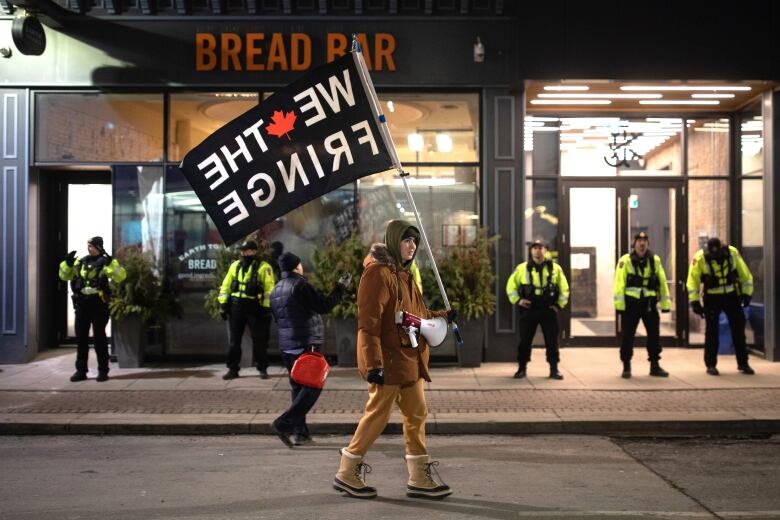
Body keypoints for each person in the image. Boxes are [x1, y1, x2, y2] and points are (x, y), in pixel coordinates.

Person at [333, 220, 456, 500]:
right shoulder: (378, 274)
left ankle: (418, 477)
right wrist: (372, 364)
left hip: (409, 360)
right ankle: (347, 471)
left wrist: (444, 317)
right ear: (393, 241)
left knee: (417, 414)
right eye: (406, 240)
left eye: (415, 241)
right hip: (388, 362)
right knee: (377, 415)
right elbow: (369, 323)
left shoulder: (404, 275)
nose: (412, 246)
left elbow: (418, 315)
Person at [270, 252, 350, 448]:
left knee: (298, 388)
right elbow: (324, 306)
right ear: (297, 266)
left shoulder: (276, 289)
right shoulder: (300, 285)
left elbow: (277, 317)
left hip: (287, 345)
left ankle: (301, 433)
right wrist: (340, 288)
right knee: (313, 386)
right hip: (305, 343)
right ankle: (284, 423)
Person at [58, 236, 126, 382]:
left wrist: (111, 265)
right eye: (88, 246)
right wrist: (67, 264)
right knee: (81, 338)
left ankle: (103, 371)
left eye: (92, 246)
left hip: (99, 303)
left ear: (99, 247)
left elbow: (120, 276)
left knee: (99, 338)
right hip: (82, 304)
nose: (89, 249)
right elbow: (64, 276)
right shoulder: (80, 262)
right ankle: (81, 371)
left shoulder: (107, 261)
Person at [686, 237, 755, 376]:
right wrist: (694, 302)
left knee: (738, 330)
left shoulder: (732, 253)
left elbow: (745, 275)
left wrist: (747, 294)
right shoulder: (700, 258)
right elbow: (692, 281)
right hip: (712, 298)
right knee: (712, 332)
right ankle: (711, 364)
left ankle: (743, 363)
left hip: (731, 295)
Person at [505, 240, 569, 380]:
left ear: (546, 250)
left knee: (552, 341)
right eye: (534, 248)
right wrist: (518, 300)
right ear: (531, 251)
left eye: (541, 248)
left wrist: (558, 305)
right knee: (525, 340)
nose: (537, 250)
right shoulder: (522, 268)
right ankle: (522, 368)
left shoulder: (555, 268)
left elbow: (564, 289)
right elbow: (510, 286)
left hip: (548, 309)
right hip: (529, 309)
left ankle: (554, 369)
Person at [613, 232, 671, 379]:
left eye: (645, 240)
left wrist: (665, 304)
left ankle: (655, 366)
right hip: (631, 305)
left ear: (648, 243)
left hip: (649, 304)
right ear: (634, 244)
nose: (642, 243)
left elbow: (662, 283)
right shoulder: (625, 261)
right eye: (639, 240)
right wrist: (619, 306)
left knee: (654, 336)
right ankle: (626, 365)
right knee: (627, 336)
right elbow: (619, 284)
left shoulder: (654, 260)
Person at [218, 240, 275, 380]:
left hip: (255, 307)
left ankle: (262, 368)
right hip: (236, 307)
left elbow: (270, 289)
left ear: (254, 252)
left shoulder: (264, 267)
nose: (244, 253)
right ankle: (233, 369)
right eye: (242, 250)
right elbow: (225, 286)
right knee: (234, 340)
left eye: (247, 250)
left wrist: (266, 308)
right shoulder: (235, 266)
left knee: (259, 340)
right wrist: (223, 304)